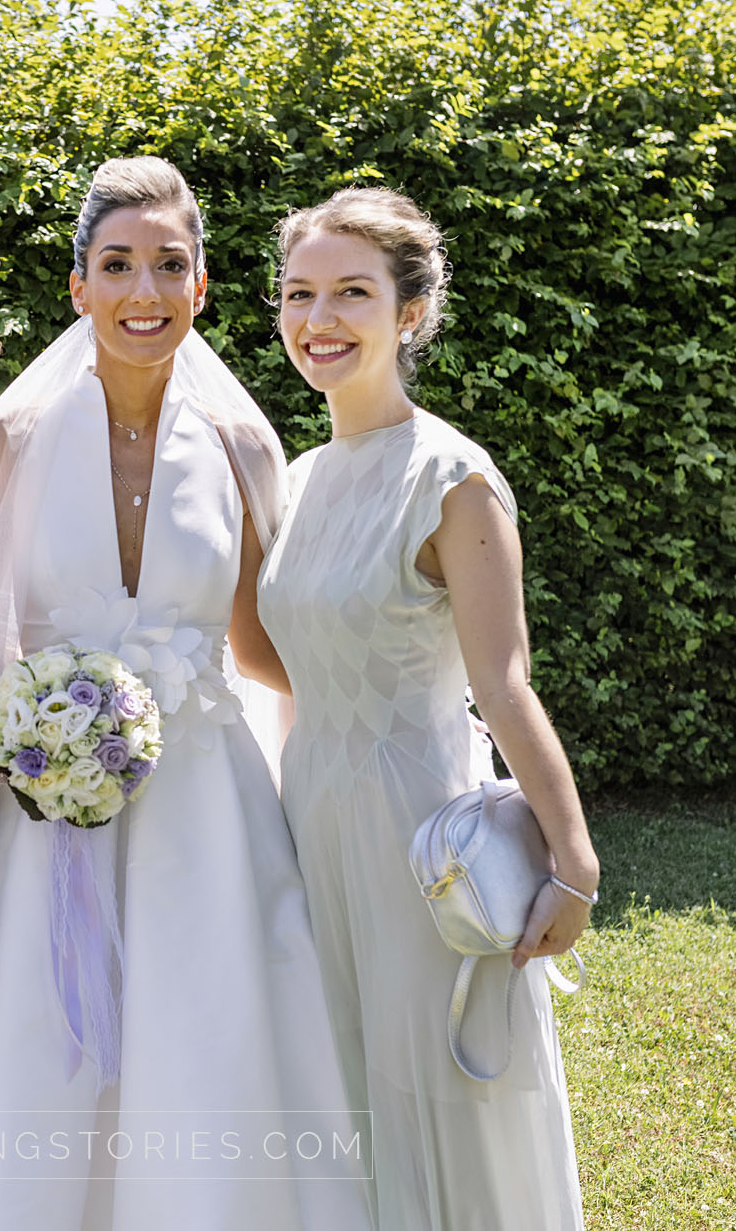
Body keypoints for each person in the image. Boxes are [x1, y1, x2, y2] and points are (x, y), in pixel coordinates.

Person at [0, 157, 371, 1231]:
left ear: (201, 287)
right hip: (42, 811)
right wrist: (16, 759)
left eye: (169, 266)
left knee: (208, 1040)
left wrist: (383, 715)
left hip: (205, 802)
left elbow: (256, 644)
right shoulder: (10, 438)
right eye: (117, 265)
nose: (142, 293)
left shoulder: (246, 445)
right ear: (77, 287)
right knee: (43, 1057)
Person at [257, 187, 599, 1229]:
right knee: (335, 1076)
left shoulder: (453, 477)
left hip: (419, 825)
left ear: (407, 312)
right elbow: (295, 660)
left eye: (350, 292)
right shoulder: (298, 476)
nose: (318, 318)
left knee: (435, 1087)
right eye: (298, 293)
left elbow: (502, 682)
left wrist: (571, 863)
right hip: (306, 812)